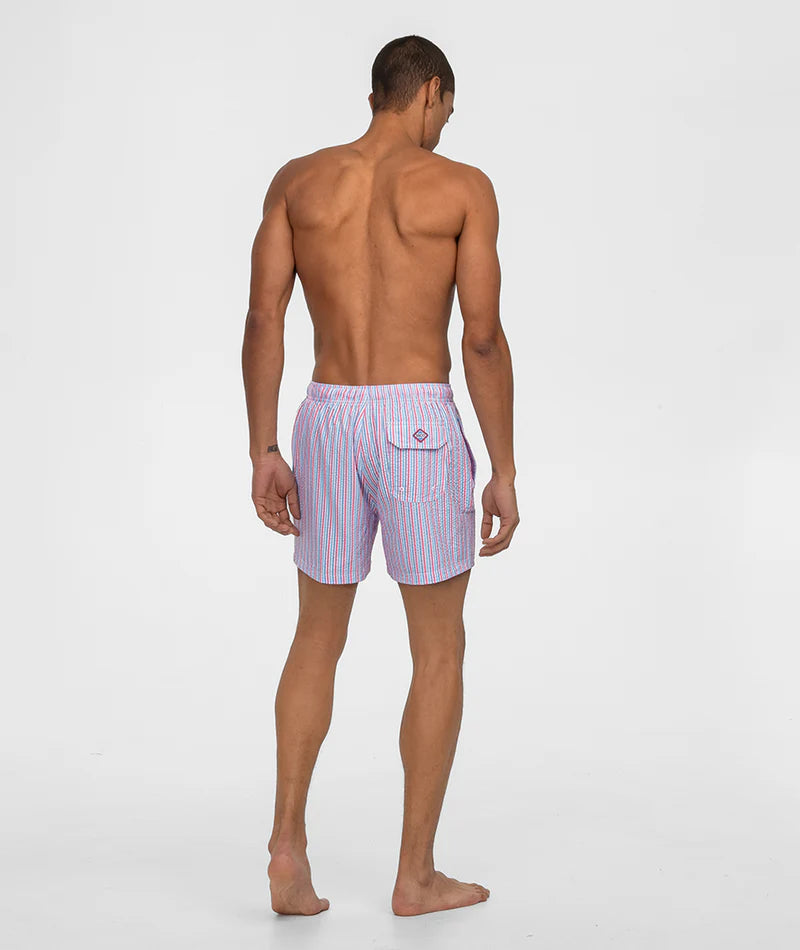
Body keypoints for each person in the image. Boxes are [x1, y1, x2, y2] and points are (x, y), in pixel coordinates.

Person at [241, 34, 519, 918]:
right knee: (438, 648)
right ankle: (415, 875)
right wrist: (504, 467)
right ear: (430, 92)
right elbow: (481, 338)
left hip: (326, 416)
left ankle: (288, 846)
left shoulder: (299, 182)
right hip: (417, 423)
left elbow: (263, 318)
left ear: (374, 95)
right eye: (447, 111)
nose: (444, 128)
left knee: (315, 637)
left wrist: (263, 449)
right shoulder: (461, 188)